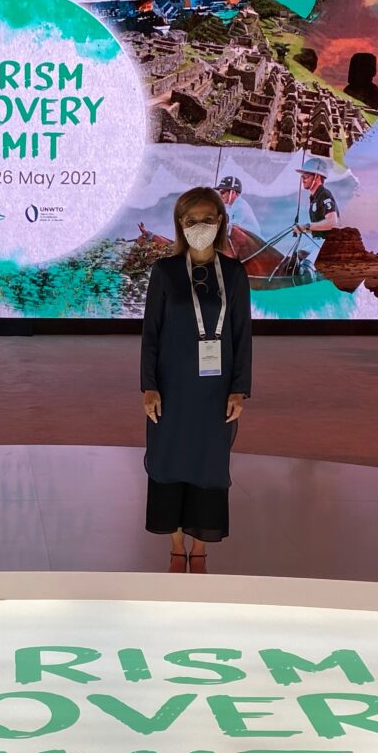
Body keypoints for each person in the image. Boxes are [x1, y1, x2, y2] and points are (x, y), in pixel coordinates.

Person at [140, 187, 253, 574]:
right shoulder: (165, 272)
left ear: (220, 221)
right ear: (180, 224)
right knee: (169, 460)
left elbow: (242, 334)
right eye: (191, 220)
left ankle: (201, 550)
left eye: (207, 218)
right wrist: (148, 386)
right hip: (171, 387)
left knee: (209, 464)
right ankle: (176, 547)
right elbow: (151, 334)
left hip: (216, 390)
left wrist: (240, 388)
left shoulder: (234, 274)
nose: (199, 226)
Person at [288, 155, 340, 275]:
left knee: (307, 269)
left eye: (306, 176)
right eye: (302, 176)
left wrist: (306, 226)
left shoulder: (324, 195)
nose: (303, 179)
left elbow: (332, 222)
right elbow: (318, 227)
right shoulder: (314, 197)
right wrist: (301, 229)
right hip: (316, 242)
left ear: (317, 177)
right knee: (293, 260)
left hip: (326, 244)